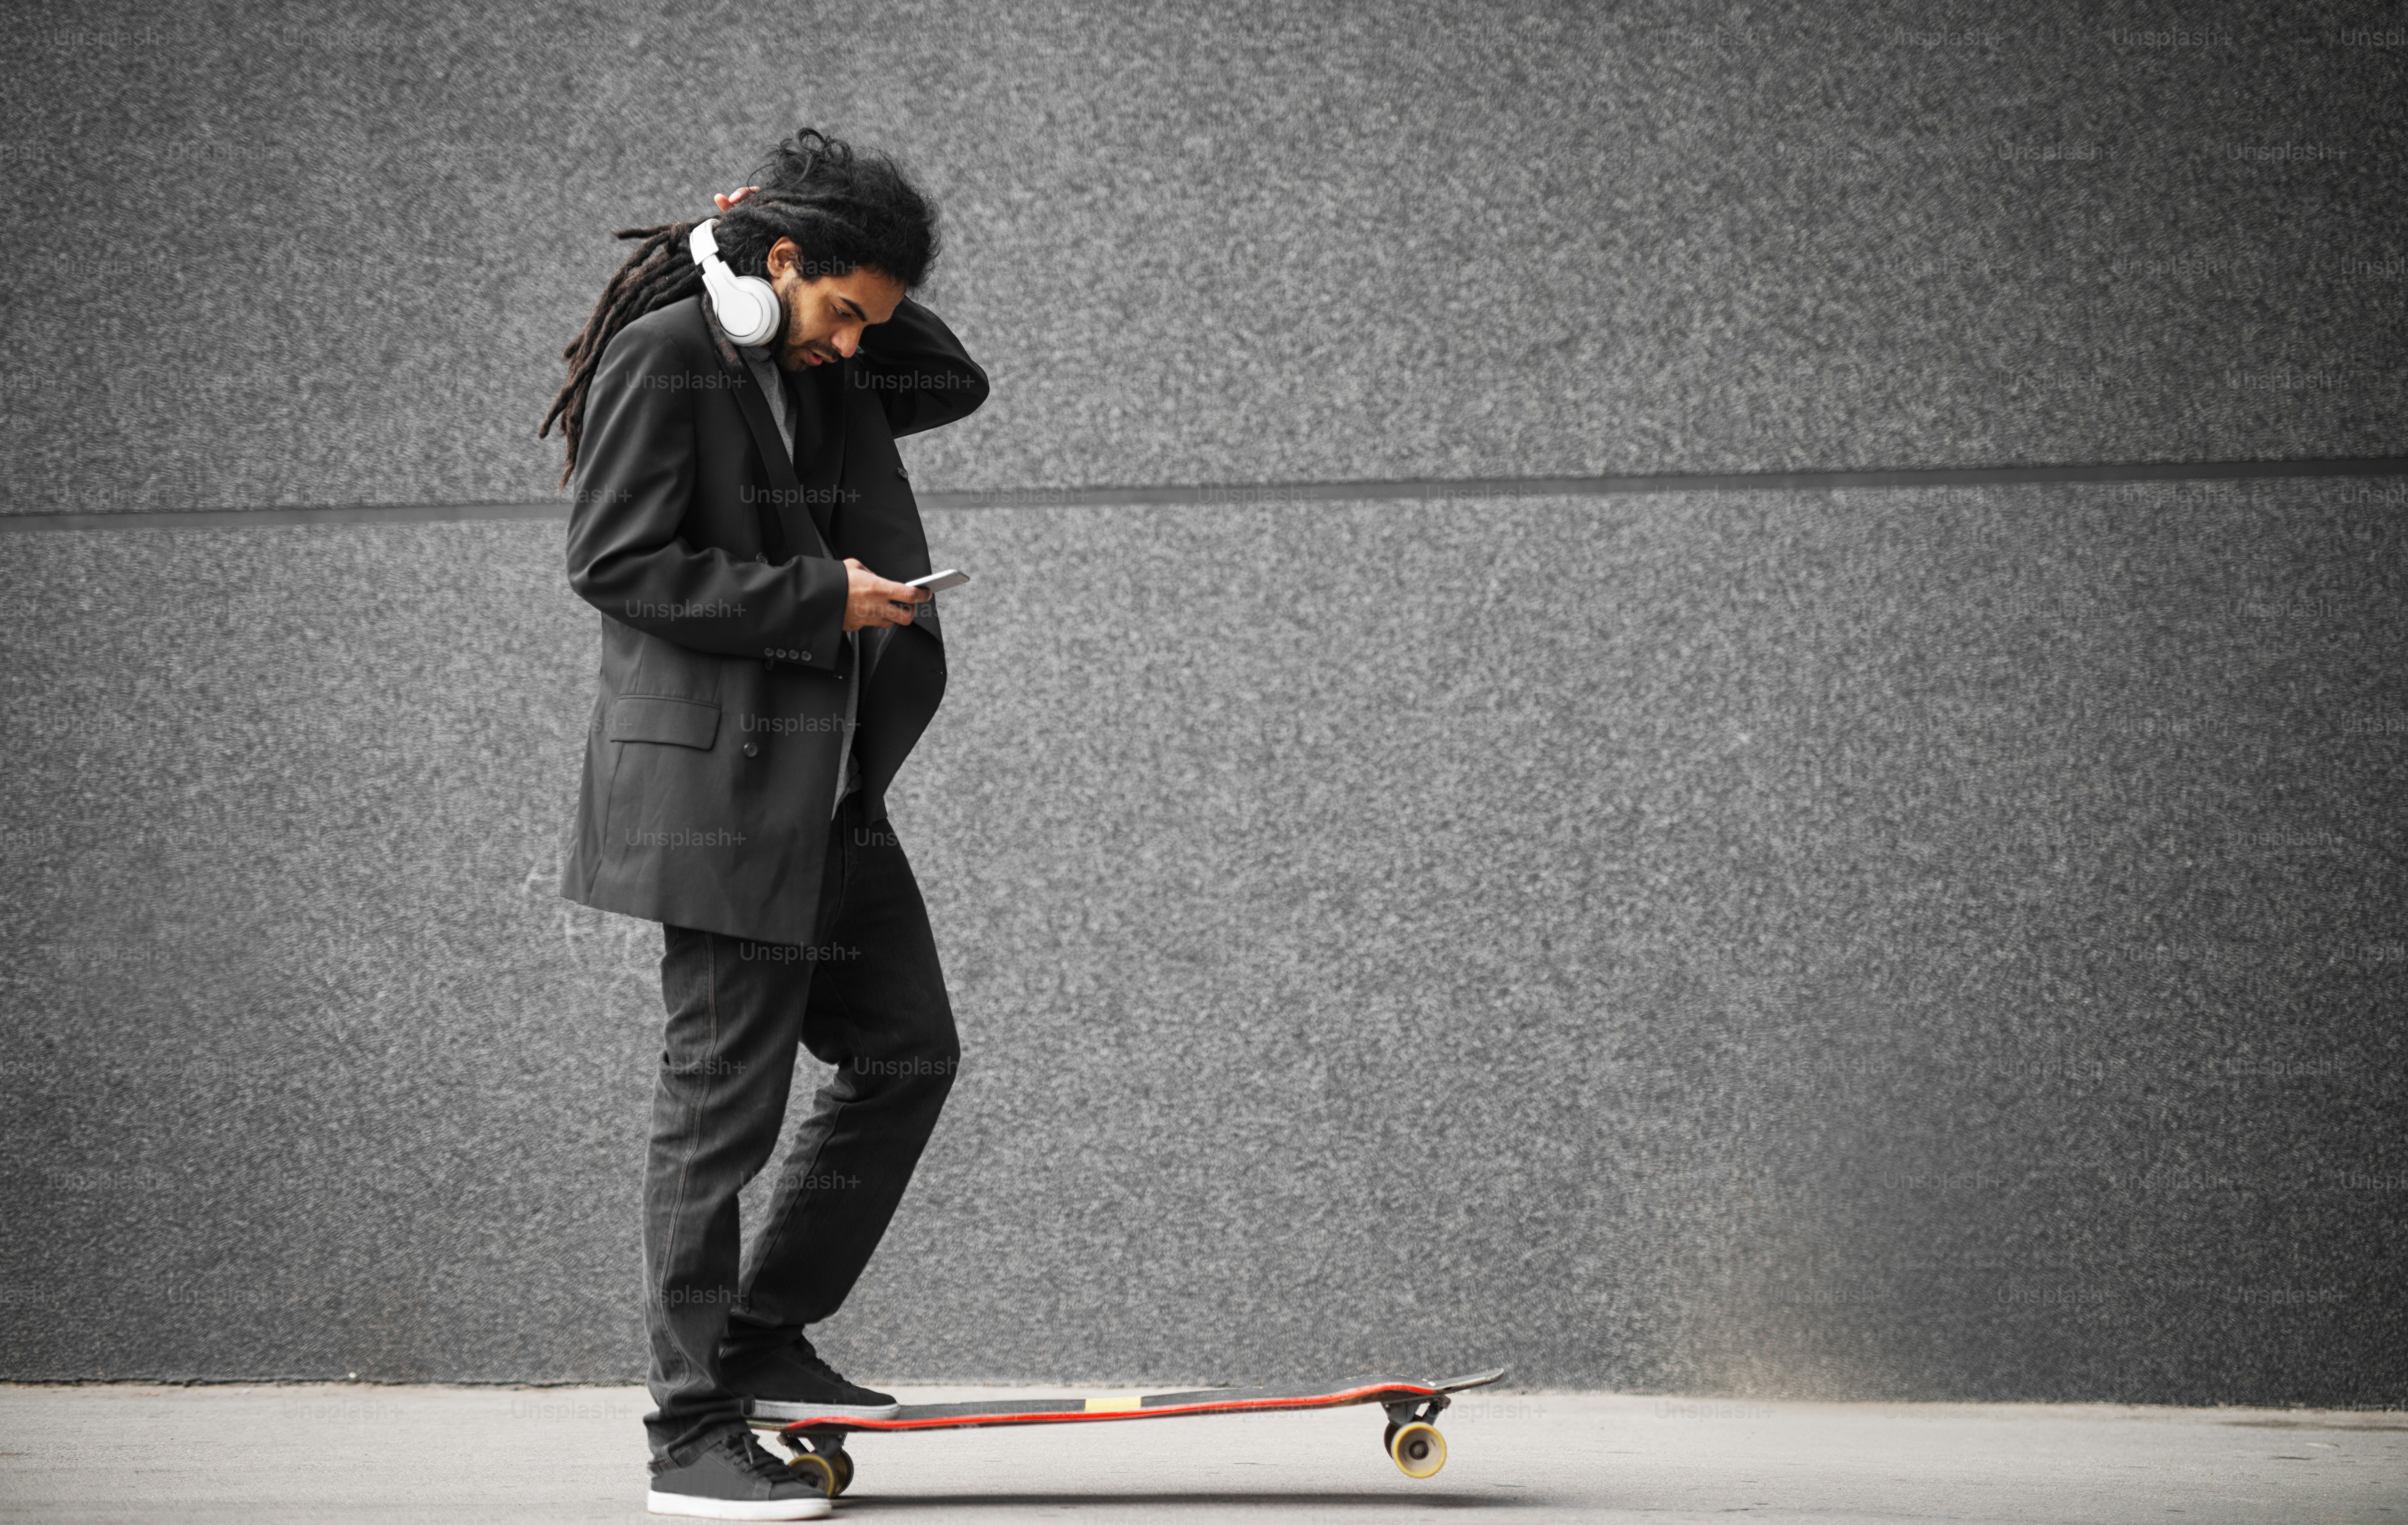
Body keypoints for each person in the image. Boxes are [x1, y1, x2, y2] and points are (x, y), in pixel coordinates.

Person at [541, 127, 988, 1519]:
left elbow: (952, 376)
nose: (858, 347)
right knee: (718, 1112)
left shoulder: (824, 360)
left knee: (906, 1049)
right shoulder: (673, 354)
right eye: (842, 310)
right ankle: (689, 1431)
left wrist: (802, 271)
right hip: (722, 798)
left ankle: (759, 1327)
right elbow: (613, 560)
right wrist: (817, 601)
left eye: (871, 321)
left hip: (826, 785)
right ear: (776, 268)